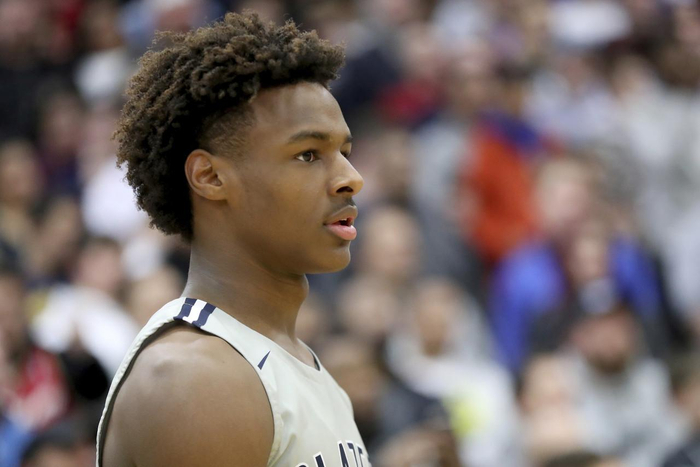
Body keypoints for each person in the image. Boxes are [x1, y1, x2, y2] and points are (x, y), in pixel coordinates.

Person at [97, 11, 368, 467]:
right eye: (308, 154)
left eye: (344, 152)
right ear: (210, 177)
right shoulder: (195, 378)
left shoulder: (297, 365)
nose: (351, 178)